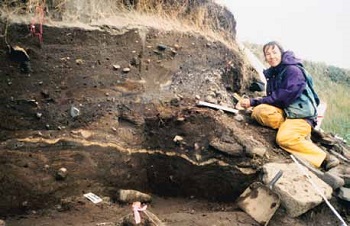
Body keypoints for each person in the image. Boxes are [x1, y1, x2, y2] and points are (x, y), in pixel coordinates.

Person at [240, 41, 339, 170]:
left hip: (301, 116)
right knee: (259, 112)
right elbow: (275, 98)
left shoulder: (293, 70)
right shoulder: (274, 73)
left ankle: (323, 158)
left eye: (274, 52)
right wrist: (256, 104)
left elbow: (282, 96)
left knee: (283, 139)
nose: (271, 56)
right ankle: (296, 134)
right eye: (267, 54)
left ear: (281, 53)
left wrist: (253, 101)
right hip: (287, 112)